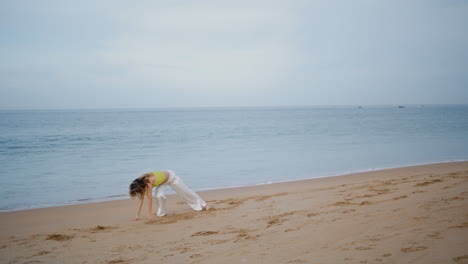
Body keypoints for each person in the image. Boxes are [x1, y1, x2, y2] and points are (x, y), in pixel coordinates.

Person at [129, 170, 208, 221]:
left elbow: (149, 199)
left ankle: (204, 204)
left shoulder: (148, 182)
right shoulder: (139, 182)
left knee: (185, 192)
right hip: (162, 182)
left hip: (171, 177)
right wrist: (137, 215)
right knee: (158, 196)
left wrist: (149, 215)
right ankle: (162, 213)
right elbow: (141, 199)